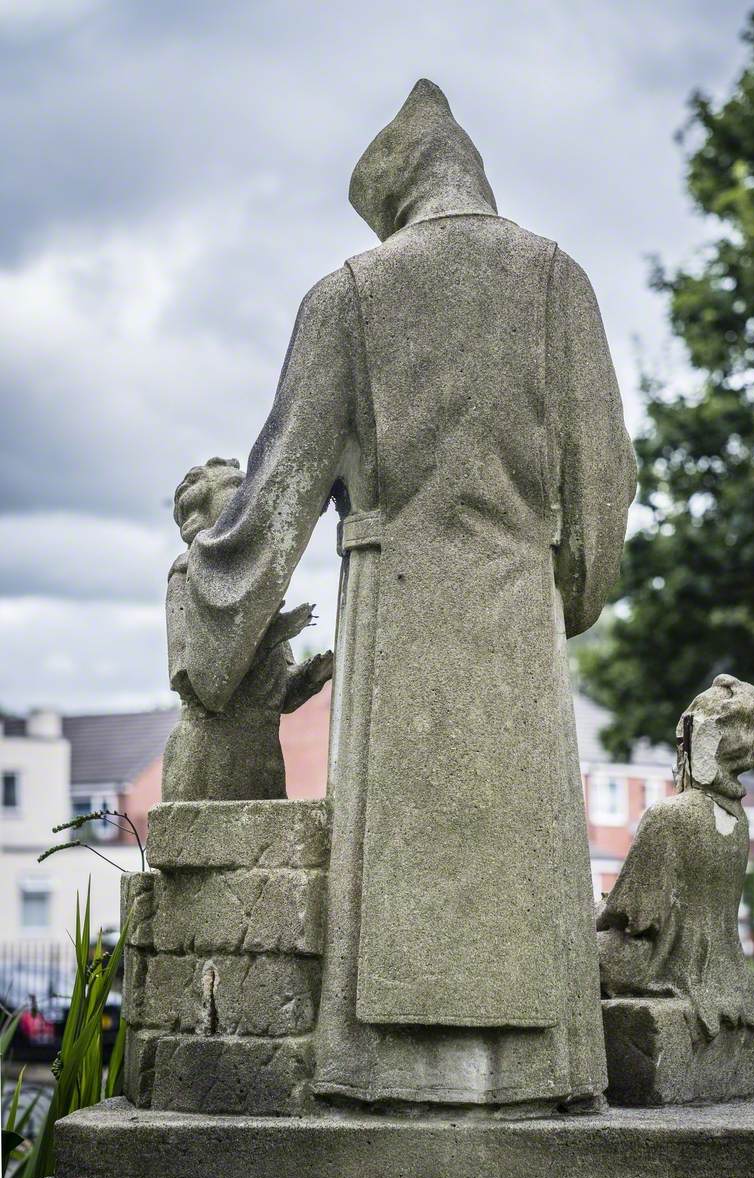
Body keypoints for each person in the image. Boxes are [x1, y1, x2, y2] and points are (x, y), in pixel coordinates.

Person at [181, 81, 636, 1107]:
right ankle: (539, 1074)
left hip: (393, 606)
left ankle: (386, 1071)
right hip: (516, 605)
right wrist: (571, 593)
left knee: (397, 871)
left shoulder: (347, 292)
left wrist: (213, 626)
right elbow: (604, 474)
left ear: (395, 199)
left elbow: (278, 488)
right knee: (521, 861)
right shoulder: (558, 279)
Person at [596, 674, 754, 1040]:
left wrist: (592, 913)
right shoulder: (739, 821)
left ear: (703, 737)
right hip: (726, 971)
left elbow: (634, 914)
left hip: (665, 962)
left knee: (571, 950)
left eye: (683, 737)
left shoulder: (671, 815)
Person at [163, 457, 332, 803]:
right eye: (235, 487)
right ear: (204, 510)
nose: (249, 495)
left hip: (262, 762)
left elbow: (277, 697)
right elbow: (201, 686)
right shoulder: (184, 580)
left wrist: (314, 674)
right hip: (207, 766)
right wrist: (274, 634)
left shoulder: (259, 587)